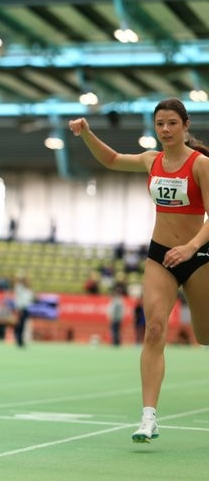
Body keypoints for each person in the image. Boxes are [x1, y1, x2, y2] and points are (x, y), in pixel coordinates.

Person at [69, 97, 209, 444]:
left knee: (205, 336)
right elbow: (113, 159)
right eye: (160, 123)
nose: (165, 129)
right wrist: (87, 133)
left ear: (185, 126)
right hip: (160, 255)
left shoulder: (201, 165)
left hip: (199, 252)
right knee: (154, 329)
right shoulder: (151, 161)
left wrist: (191, 247)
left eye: (172, 123)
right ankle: (148, 417)